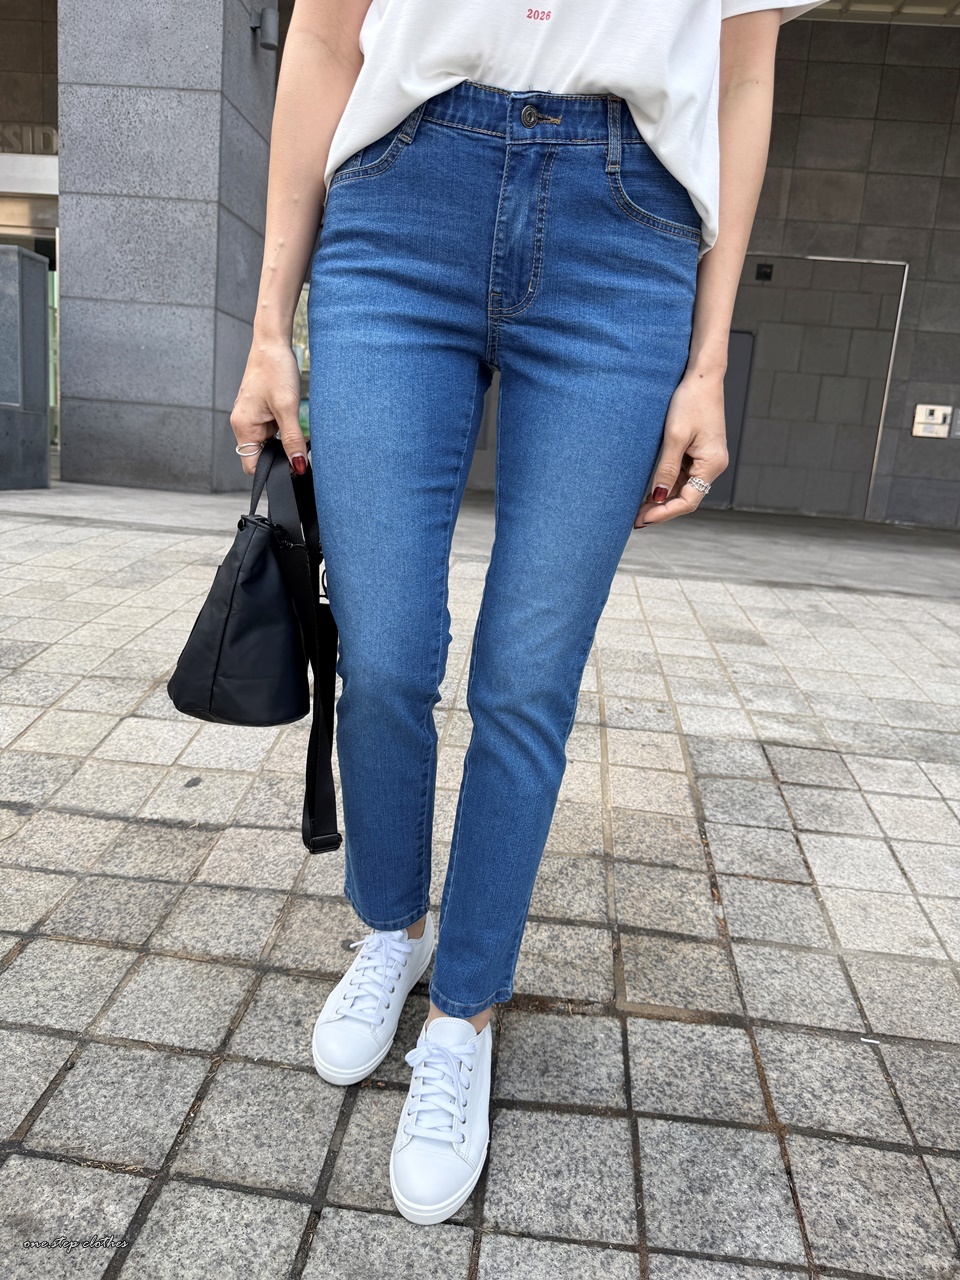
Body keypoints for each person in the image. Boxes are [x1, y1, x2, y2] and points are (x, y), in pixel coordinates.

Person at [230, 0, 830, 1227]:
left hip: (628, 231)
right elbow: (326, 38)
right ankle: (392, 927)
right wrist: (268, 325)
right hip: (401, 202)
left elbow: (742, 79)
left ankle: (464, 1010)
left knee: (527, 679)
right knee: (385, 654)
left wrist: (709, 362)